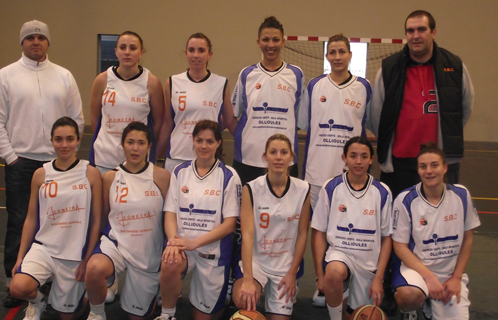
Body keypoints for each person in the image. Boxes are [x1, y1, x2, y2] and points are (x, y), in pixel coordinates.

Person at [0, 20, 84, 308]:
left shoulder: (63, 76)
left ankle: (47, 279)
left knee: (56, 222)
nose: (36, 42)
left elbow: (77, 118)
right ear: (22, 43)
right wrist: (10, 157)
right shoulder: (6, 76)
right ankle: (15, 279)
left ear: (48, 42)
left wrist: (66, 156)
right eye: (30, 38)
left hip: (57, 165)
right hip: (21, 163)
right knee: (19, 222)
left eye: (41, 38)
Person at [297, 34, 371, 306]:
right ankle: (322, 282)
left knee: (347, 230)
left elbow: (368, 124)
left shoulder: (364, 87)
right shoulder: (315, 86)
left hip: (350, 176)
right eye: (333, 52)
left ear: (350, 55)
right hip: (317, 173)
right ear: (327, 56)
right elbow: (304, 123)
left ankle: (347, 280)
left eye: (342, 52)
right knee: (320, 231)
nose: (337, 57)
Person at [369, 10, 474, 198]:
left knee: (440, 222)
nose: (415, 36)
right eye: (410, 31)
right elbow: (377, 115)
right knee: (398, 223)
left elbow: (463, 110)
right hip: (400, 163)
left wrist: (445, 133)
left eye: (421, 29)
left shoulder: (454, 66)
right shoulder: (389, 68)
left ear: (433, 32)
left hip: (439, 162)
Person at [9, 117, 101, 320]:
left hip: (74, 255)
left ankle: (81, 295)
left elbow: (96, 221)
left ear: (78, 140)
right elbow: (31, 218)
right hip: (45, 248)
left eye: (70, 139)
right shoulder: (41, 174)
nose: (64, 145)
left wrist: (87, 259)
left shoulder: (90, 174)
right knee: (17, 287)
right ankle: (38, 301)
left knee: (69, 315)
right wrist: (20, 257)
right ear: (51, 141)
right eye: (58, 139)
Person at [155, 120, 241, 320]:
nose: (204, 145)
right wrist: (173, 241)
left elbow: (229, 225)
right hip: (183, 247)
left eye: (210, 141)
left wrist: (194, 243)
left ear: (219, 143)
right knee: (169, 260)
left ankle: (220, 299)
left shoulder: (229, 176)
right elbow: (170, 213)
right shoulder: (179, 172)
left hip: (212, 253)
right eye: (199, 140)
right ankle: (167, 315)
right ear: (192, 141)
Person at [85, 122, 170, 320]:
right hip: (117, 245)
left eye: (141, 143)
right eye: (130, 142)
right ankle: (96, 314)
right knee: (95, 268)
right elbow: (105, 216)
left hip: (147, 251)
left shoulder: (162, 176)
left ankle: (152, 285)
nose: (135, 148)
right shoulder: (110, 178)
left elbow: (169, 217)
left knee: (136, 317)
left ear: (149, 146)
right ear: (122, 144)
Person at [391, 142, 480, 320]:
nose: (429, 171)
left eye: (434, 165)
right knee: (409, 295)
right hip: (417, 271)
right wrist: (428, 277)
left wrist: (456, 277)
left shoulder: (461, 196)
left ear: (445, 168)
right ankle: (411, 311)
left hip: (449, 275)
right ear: (418, 170)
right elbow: (399, 246)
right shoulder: (405, 200)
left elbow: (467, 239)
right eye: (423, 166)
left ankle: (431, 306)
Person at [311, 137, 392, 320]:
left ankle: (346, 298)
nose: (358, 161)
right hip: (340, 256)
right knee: (333, 273)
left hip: (367, 265)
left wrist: (379, 278)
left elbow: (387, 238)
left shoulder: (382, 192)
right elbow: (318, 232)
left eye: (364, 156)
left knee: (363, 316)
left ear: (371, 159)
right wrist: (320, 274)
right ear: (344, 158)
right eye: (353, 156)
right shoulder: (331, 187)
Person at [232, 134, 310, 320]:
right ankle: (242, 285)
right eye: (273, 152)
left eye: (284, 152)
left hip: (284, 266)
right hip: (257, 262)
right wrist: (249, 279)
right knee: (244, 300)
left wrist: (292, 273)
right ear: (265, 156)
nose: (278, 157)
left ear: (291, 156)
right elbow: (248, 235)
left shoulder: (303, 189)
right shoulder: (251, 188)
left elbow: (302, 234)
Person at [231, 16, 305, 185]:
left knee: (285, 210)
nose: (270, 45)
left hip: (284, 160)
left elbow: (299, 119)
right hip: (249, 158)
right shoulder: (246, 74)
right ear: (258, 42)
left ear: (283, 42)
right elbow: (235, 114)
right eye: (265, 39)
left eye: (275, 40)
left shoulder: (296, 75)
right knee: (247, 209)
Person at [156, 33, 237, 174]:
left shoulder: (221, 84)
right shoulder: (172, 82)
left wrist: (248, 143)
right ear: (186, 53)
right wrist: (154, 155)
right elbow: (167, 123)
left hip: (208, 159)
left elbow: (229, 121)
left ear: (209, 54)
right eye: (191, 50)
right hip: (177, 158)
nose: (196, 55)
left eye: (201, 50)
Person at [90, 31, 164, 176]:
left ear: (141, 52)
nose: (127, 52)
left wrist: (141, 145)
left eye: (133, 48)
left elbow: (158, 122)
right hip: (105, 157)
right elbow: (94, 118)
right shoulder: (102, 80)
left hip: (138, 160)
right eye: (123, 48)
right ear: (116, 52)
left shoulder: (152, 83)